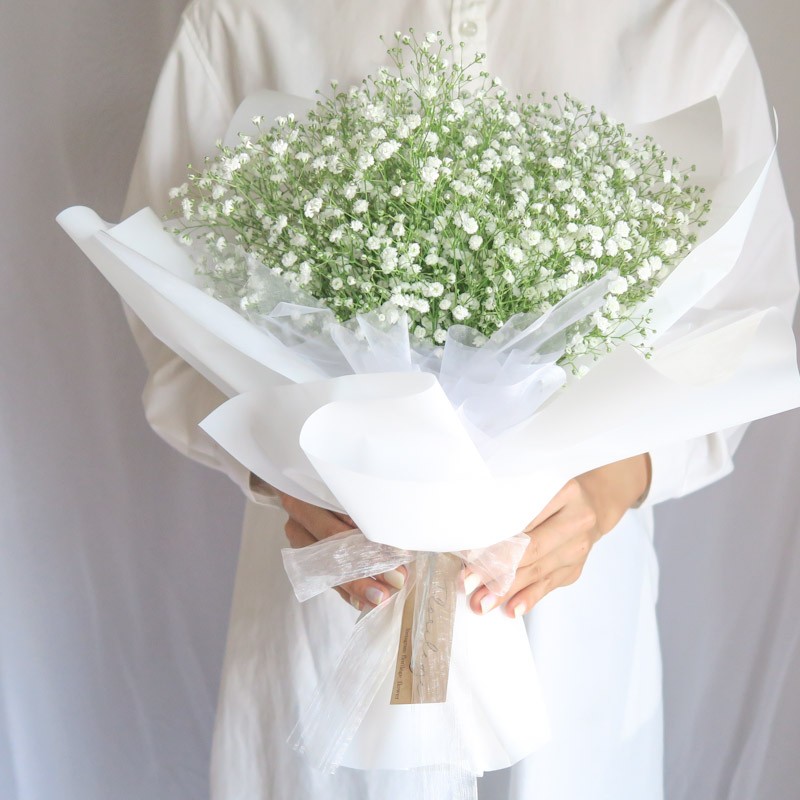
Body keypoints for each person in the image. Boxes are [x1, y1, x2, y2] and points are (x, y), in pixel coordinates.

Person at [122, 1, 798, 797]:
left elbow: (747, 329)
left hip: (567, 597)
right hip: (339, 586)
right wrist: (281, 479)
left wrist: (605, 490)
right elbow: (169, 308)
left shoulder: (681, 26)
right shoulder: (247, 16)